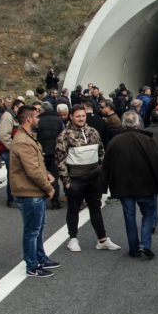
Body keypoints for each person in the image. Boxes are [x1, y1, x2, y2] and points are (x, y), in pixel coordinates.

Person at [104, 111, 158, 259]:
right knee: (148, 214)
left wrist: (104, 185)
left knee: (129, 217)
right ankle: (144, 244)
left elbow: (107, 165)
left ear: (123, 124)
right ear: (138, 124)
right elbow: (156, 163)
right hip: (146, 185)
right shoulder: (146, 140)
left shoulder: (115, 142)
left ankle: (133, 248)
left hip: (124, 185)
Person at [56, 105, 119, 253]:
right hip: (75, 179)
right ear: (71, 117)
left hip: (94, 178)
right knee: (73, 209)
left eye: (83, 116)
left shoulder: (93, 132)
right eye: (78, 116)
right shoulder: (64, 135)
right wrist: (66, 181)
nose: (81, 118)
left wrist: (102, 173)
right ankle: (73, 239)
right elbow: (60, 159)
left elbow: (101, 151)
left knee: (95, 208)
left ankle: (102, 239)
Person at [9, 106, 59, 278]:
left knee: (38, 228)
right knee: (32, 230)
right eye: (37, 117)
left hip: (33, 192)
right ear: (29, 119)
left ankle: (40, 257)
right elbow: (32, 170)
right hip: (29, 193)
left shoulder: (27, 137)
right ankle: (32, 264)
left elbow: (36, 165)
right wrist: (48, 187)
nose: (39, 120)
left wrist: (47, 175)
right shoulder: (23, 140)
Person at [0, 99, 23, 208]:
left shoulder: (15, 117)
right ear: (15, 107)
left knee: (16, 174)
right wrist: (13, 148)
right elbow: (4, 135)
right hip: (7, 150)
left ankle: (16, 196)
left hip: (13, 150)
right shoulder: (8, 117)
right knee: (12, 174)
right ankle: (11, 199)